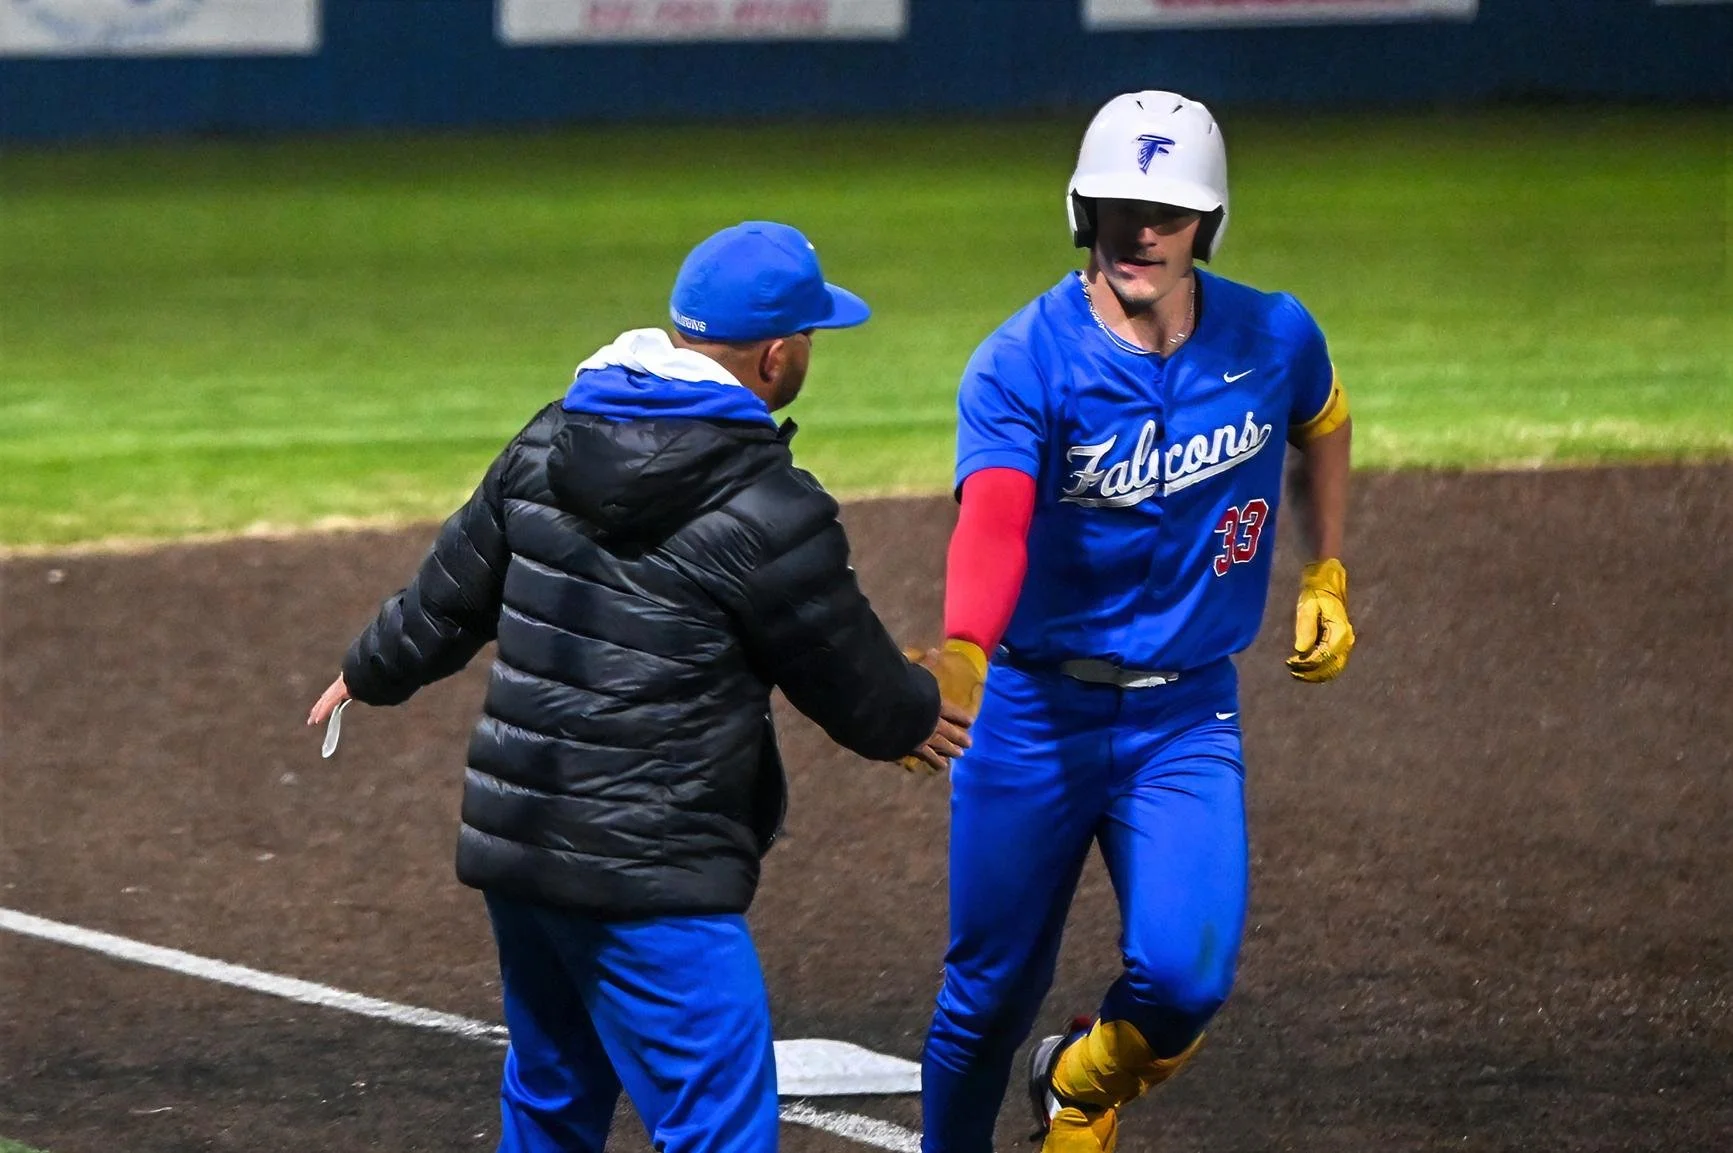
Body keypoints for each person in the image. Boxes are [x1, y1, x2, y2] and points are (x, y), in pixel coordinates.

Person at [305, 220, 973, 1153]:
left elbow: (447, 595)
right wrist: (918, 710)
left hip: (521, 845)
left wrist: (368, 667)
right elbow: (851, 682)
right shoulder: (768, 504)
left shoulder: (549, 437)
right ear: (776, 357)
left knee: (551, 1097)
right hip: (650, 869)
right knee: (718, 1124)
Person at [911, 92, 1356, 1152]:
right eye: (1118, 206)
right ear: (1084, 210)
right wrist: (965, 646)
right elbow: (994, 519)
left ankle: (1075, 1081)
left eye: (1167, 212)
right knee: (986, 995)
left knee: (1186, 975)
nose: (1139, 231)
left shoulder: (1272, 333)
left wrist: (1326, 569)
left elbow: (1324, 418)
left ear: (1207, 222)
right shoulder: (1022, 360)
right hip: (1032, 715)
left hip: (1184, 716)